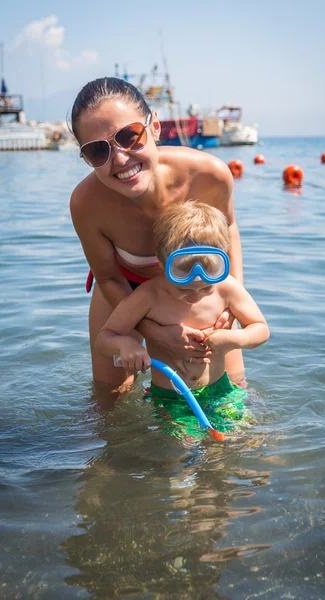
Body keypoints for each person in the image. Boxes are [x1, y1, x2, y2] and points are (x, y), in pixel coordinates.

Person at [70, 77, 245, 388]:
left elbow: (228, 229)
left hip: (200, 285)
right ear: (86, 159)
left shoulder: (209, 175)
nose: (120, 159)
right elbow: (109, 277)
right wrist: (153, 331)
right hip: (125, 291)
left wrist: (231, 304)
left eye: (129, 136)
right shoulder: (86, 204)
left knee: (232, 391)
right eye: (98, 151)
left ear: (155, 128)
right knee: (110, 404)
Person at [95, 201, 269, 437]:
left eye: (205, 287)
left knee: (243, 441)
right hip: (171, 397)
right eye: (184, 289)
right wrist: (126, 344)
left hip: (221, 391)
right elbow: (104, 340)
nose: (195, 295)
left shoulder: (226, 287)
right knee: (180, 454)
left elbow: (260, 329)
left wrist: (234, 338)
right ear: (162, 263)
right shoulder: (148, 296)